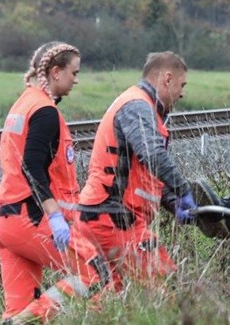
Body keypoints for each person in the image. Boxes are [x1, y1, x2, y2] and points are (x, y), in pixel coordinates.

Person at [0, 42, 109, 322]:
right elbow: (32, 166)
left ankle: (18, 319)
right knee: (95, 272)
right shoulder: (45, 112)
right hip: (29, 218)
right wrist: (55, 216)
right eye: (73, 73)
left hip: (3, 219)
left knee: (19, 307)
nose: (76, 80)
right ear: (56, 72)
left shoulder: (24, 103)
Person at [75, 51, 197, 288]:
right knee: (167, 286)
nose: (182, 93)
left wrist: (173, 203)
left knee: (109, 296)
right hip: (113, 220)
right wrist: (183, 191)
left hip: (103, 217)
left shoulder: (140, 105)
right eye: (182, 85)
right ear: (167, 78)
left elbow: (141, 174)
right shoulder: (137, 106)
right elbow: (152, 154)